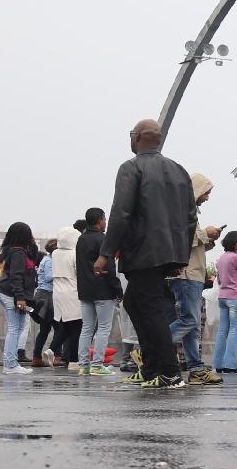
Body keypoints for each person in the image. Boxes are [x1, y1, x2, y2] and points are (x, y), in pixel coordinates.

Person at [100, 118, 197, 390]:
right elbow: (191, 218)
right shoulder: (179, 170)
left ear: (139, 137)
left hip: (143, 250)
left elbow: (121, 213)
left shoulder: (131, 168)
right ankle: (152, 367)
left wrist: (106, 253)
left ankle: (169, 371)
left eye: (131, 134)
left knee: (150, 307)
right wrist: (181, 255)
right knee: (134, 303)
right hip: (169, 251)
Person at [171, 175, 218, 381]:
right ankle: (152, 351)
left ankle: (196, 367)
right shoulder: (182, 211)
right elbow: (179, 239)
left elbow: (193, 245)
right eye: (206, 192)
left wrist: (209, 238)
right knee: (189, 320)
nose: (207, 198)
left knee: (193, 324)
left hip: (193, 273)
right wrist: (205, 234)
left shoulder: (187, 211)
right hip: (187, 274)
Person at [75, 207, 121, 376]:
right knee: (103, 328)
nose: (106, 222)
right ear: (100, 220)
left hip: (85, 290)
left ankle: (84, 365)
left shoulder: (81, 239)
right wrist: (118, 289)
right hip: (103, 290)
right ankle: (97, 364)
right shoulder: (103, 239)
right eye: (105, 219)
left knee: (86, 328)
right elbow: (109, 266)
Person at [0, 222, 39, 375]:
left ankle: (11, 363)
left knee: (17, 328)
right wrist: (20, 297)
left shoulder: (13, 251)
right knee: (14, 329)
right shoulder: (18, 253)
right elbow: (16, 276)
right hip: (12, 295)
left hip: (8, 293)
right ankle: (10, 364)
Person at [212, 230, 237, 374]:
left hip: (222, 296)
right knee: (235, 330)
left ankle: (218, 363)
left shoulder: (222, 258)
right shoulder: (236, 258)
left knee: (222, 330)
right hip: (235, 297)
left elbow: (220, 280)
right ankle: (230, 364)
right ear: (236, 244)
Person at [50, 224, 83, 370]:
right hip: (72, 292)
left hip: (57, 292)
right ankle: (74, 361)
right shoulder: (75, 254)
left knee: (64, 325)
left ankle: (51, 349)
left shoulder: (55, 253)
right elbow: (79, 273)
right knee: (76, 328)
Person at [28, 238, 59, 365]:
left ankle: (37, 356)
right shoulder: (50, 261)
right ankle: (56, 355)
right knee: (58, 327)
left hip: (42, 295)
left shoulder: (45, 259)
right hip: (48, 296)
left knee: (45, 329)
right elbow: (48, 277)